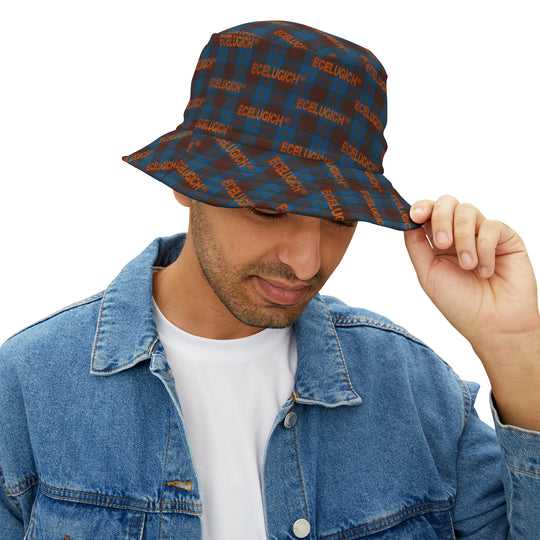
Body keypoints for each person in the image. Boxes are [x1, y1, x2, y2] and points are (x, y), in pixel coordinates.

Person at [1, 19, 539, 539]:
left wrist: (514, 350)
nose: (306, 263)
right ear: (187, 181)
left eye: (339, 219)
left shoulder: (414, 388)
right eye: (268, 209)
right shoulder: (30, 385)